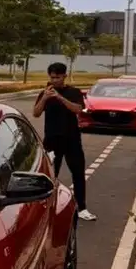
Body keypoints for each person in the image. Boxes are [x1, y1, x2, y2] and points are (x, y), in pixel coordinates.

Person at [33, 62, 97, 221]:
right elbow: (36, 113)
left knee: (78, 174)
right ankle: (48, 208)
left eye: (57, 77)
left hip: (72, 140)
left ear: (64, 76)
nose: (54, 80)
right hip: (52, 141)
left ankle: (82, 208)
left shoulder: (74, 92)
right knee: (50, 176)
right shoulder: (45, 92)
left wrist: (60, 97)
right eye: (52, 77)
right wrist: (45, 98)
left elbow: (78, 109)